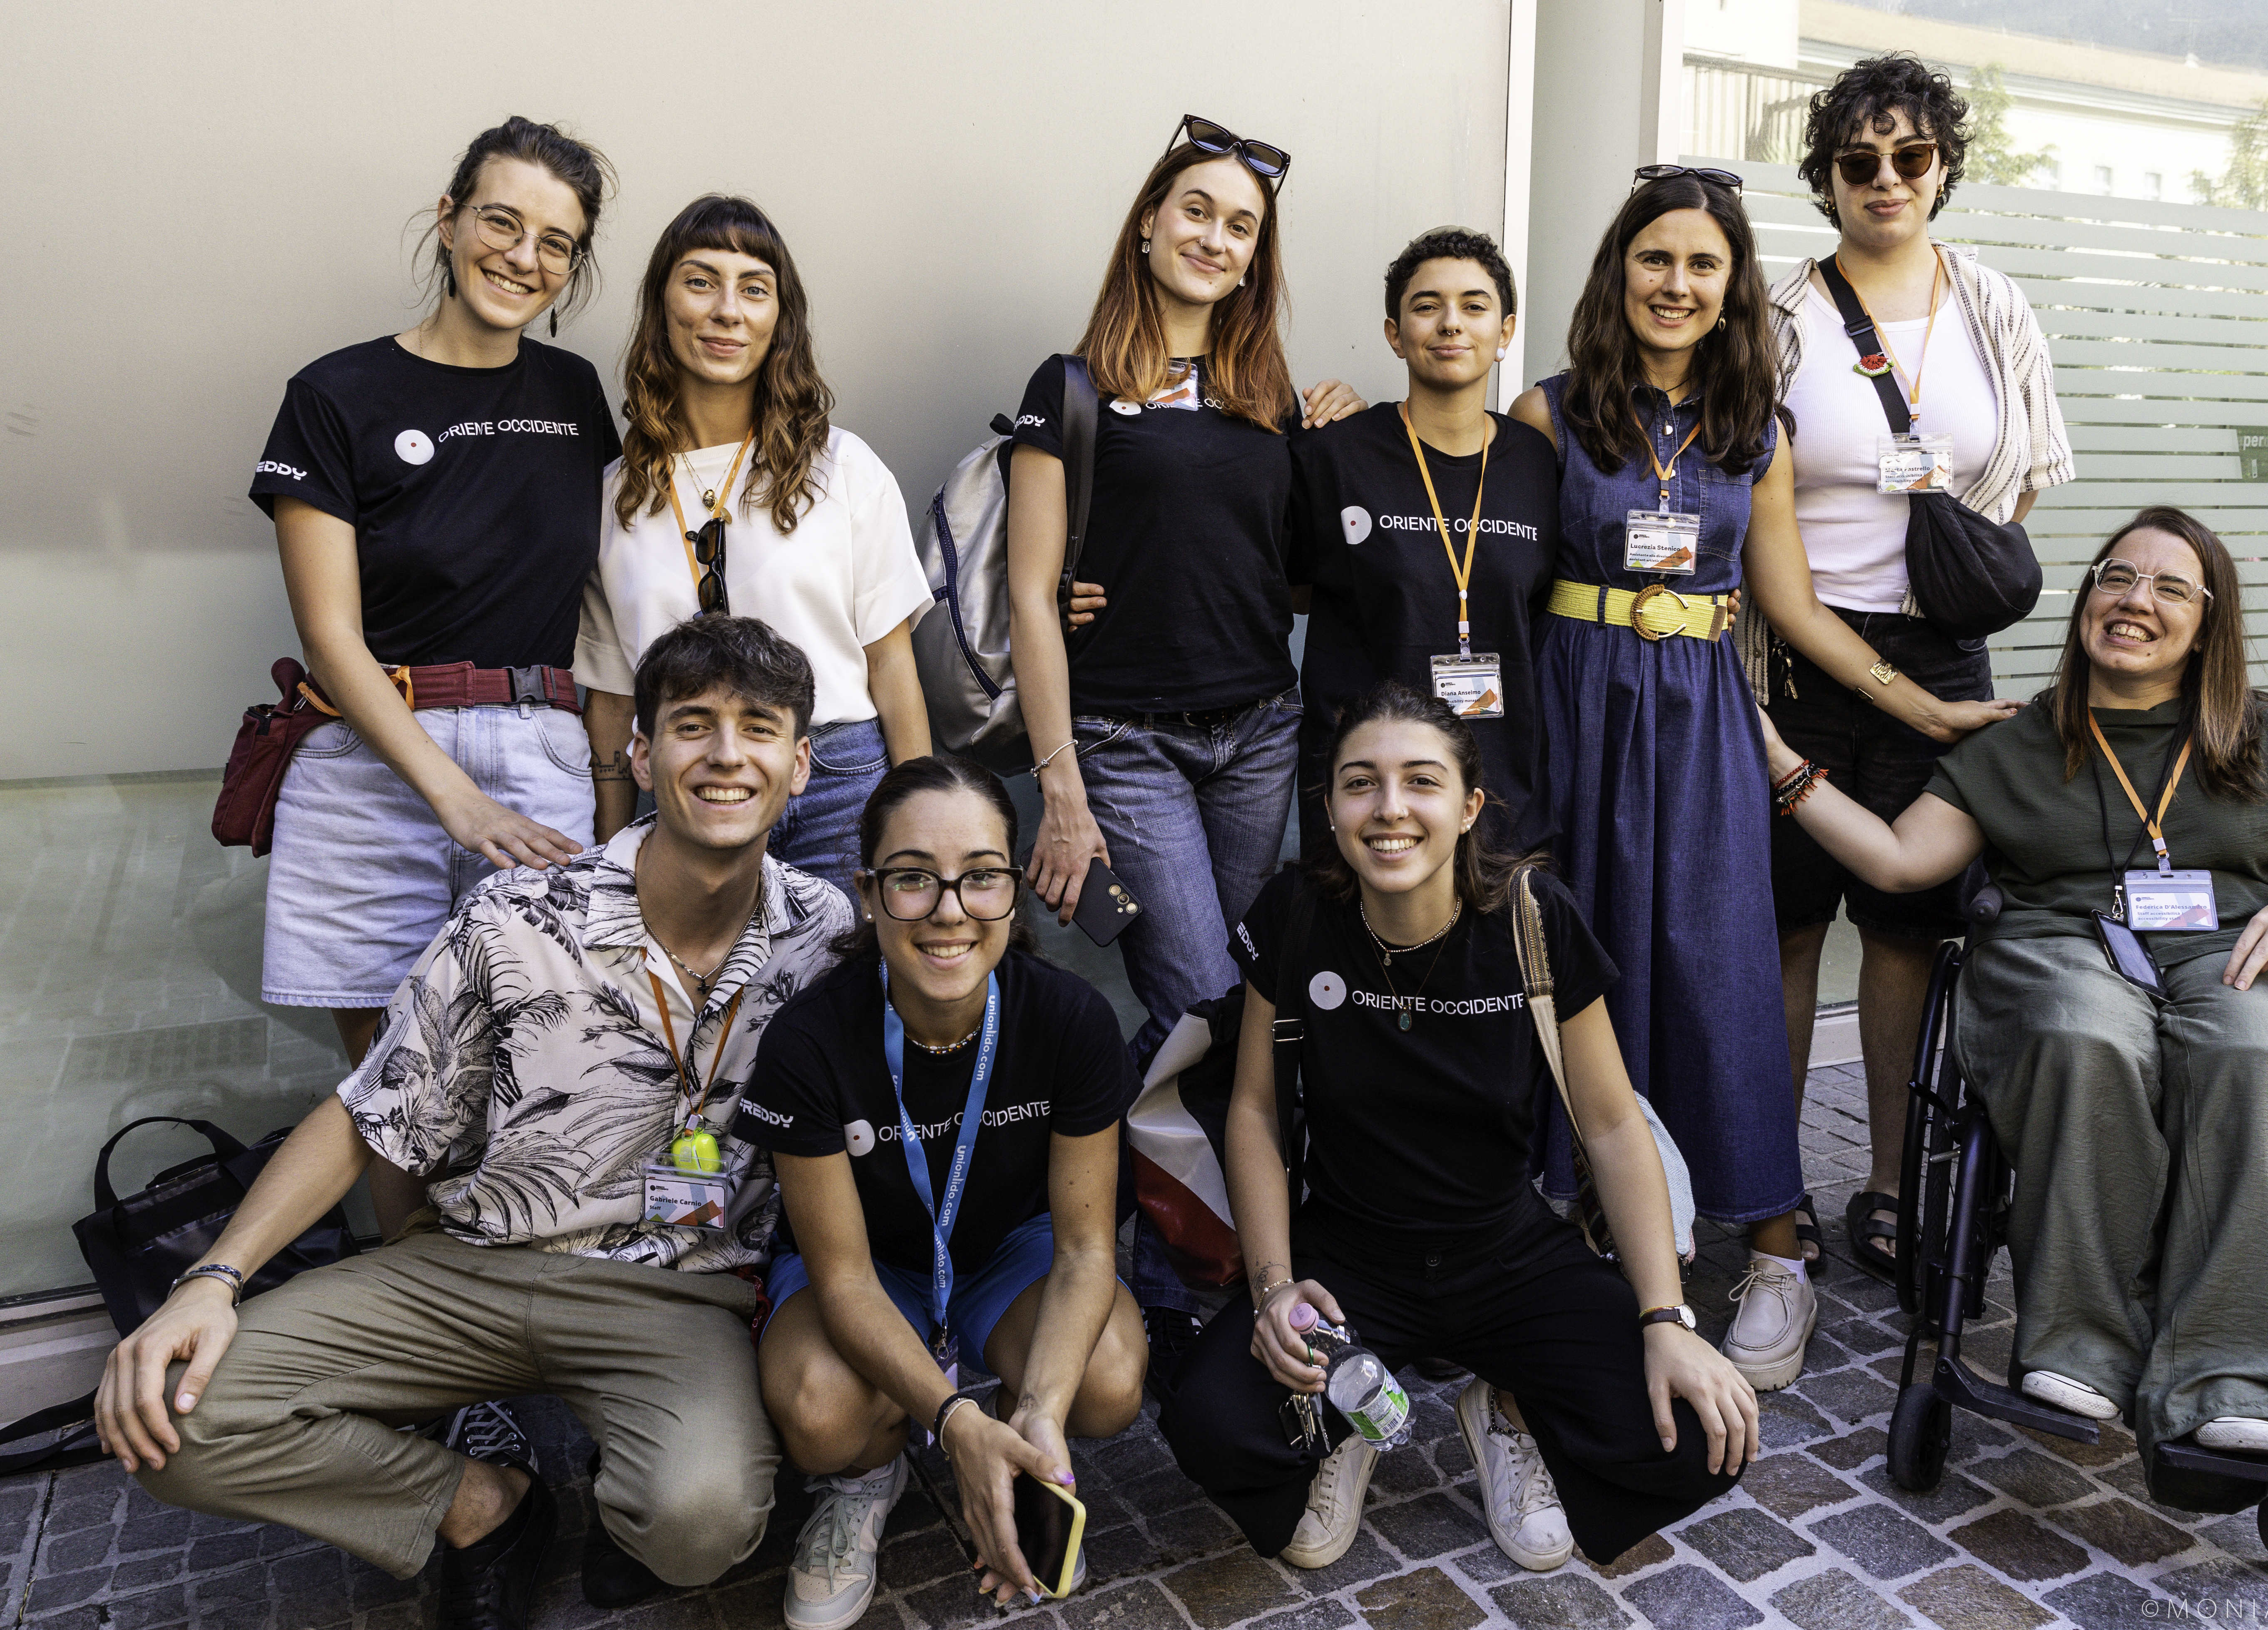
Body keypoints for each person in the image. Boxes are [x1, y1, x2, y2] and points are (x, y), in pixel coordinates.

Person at [94, 617, 856, 1629]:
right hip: (469, 1265)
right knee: (176, 1419)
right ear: (639, 751)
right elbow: (372, 1106)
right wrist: (212, 1279)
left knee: (699, 1524)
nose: (725, 754)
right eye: (692, 724)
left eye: (758, 729)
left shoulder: (828, 935)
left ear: (800, 764)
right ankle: (481, 1504)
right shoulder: (518, 917)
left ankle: (634, 1460)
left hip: (676, 1293)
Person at [1757, 507, 2268, 1511]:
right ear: (2085, 598)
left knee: (2256, 1048)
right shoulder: (2017, 743)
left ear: (2209, 621)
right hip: (2063, 947)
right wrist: (1775, 754)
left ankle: (2235, 1375)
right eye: (2116, 577)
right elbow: (1898, 860)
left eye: (2170, 587)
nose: (2135, 600)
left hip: (2239, 949)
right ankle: (2081, 1344)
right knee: (2083, 1032)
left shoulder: (2267, 735)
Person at [1509, 171, 2013, 1390]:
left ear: (1734, 286)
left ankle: (1773, 1250)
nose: (1675, 285)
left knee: (1720, 968)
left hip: (1703, 720)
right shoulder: (1548, 413)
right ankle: (1588, 1233)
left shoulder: (1758, 431)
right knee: (1581, 965)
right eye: (1654, 260)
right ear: (1617, 270)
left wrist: (1925, 705)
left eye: (1702, 265)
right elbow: (1489, 587)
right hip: (1578, 712)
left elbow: (1793, 610)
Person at [1159, 682, 1756, 1572]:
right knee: (1211, 1421)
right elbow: (1253, 1110)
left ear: (1469, 806)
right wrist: (1276, 1287)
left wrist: (1666, 1317)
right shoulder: (1296, 916)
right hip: (1351, 1254)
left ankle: (1508, 1408)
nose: (1390, 808)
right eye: (1360, 783)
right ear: (1328, 807)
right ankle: (1350, 1408)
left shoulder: (1533, 918)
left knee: (1698, 1431)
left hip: (1503, 1249)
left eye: (1421, 781)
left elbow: (1610, 1124)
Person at [1003, 114, 1360, 1356]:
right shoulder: (1073, 388)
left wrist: (1342, 438)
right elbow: (1030, 599)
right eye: (1196, 212)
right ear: (1149, 225)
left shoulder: (1274, 398)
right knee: (1203, 988)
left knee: (1244, 996)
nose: (1216, 238)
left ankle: (1196, 1245)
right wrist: (1062, 791)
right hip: (1127, 740)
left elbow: (1293, 579)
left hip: (1258, 730)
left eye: (1241, 227)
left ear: (1258, 257)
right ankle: (1152, 1243)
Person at [249, 116, 625, 1254]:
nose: (524, 256)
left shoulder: (576, 394)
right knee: (389, 1077)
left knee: (552, 1051)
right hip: (374, 761)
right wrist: (454, 797)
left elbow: (625, 593)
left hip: (545, 744)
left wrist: (613, 793)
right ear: (450, 219)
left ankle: (530, 1306)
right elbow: (331, 638)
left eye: (556, 241)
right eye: (502, 221)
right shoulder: (335, 394)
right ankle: (423, 1325)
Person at [1762, 52, 2076, 1287]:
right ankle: (1771, 1195)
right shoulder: (1780, 313)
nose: (1885, 179)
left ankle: (1889, 1183)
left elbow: (2030, 467)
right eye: (1858, 160)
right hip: (1797, 648)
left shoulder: (1992, 303)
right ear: (1827, 176)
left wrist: (1952, 551)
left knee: (1905, 932)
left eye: (1909, 157)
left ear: (1942, 168)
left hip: (1942, 645)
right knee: (1787, 927)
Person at [736, 756, 1147, 1627]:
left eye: (982, 878)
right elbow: (843, 1280)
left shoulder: (1070, 1019)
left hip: (1004, 1253)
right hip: (874, 1267)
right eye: (915, 878)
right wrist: (956, 1425)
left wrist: (1037, 1410)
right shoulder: (810, 1040)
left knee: (1107, 1378)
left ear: (1013, 886)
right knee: (820, 1408)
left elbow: (1084, 1249)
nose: (951, 908)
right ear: (870, 888)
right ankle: (865, 1476)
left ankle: (1010, 1427)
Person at [581, 195, 933, 892]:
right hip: (689, 788)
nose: (727, 311)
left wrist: (921, 822)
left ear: (779, 320)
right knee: (710, 998)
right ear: (661, 306)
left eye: (753, 289)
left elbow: (892, 665)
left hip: (838, 782)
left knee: (842, 994)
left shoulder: (844, 467)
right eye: (700, 281)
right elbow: (612, 701)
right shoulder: (611, 494)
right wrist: (608, 858)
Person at [1286, 226, 1558, 856]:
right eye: (1426, 305)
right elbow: (1279, 587)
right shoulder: (1336, 454)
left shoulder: (1539, 463)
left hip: (1499, 783)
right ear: (1393, 333)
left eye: (1473, 305)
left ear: (1505, 333)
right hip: (1368, 788)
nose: (1450, 324)